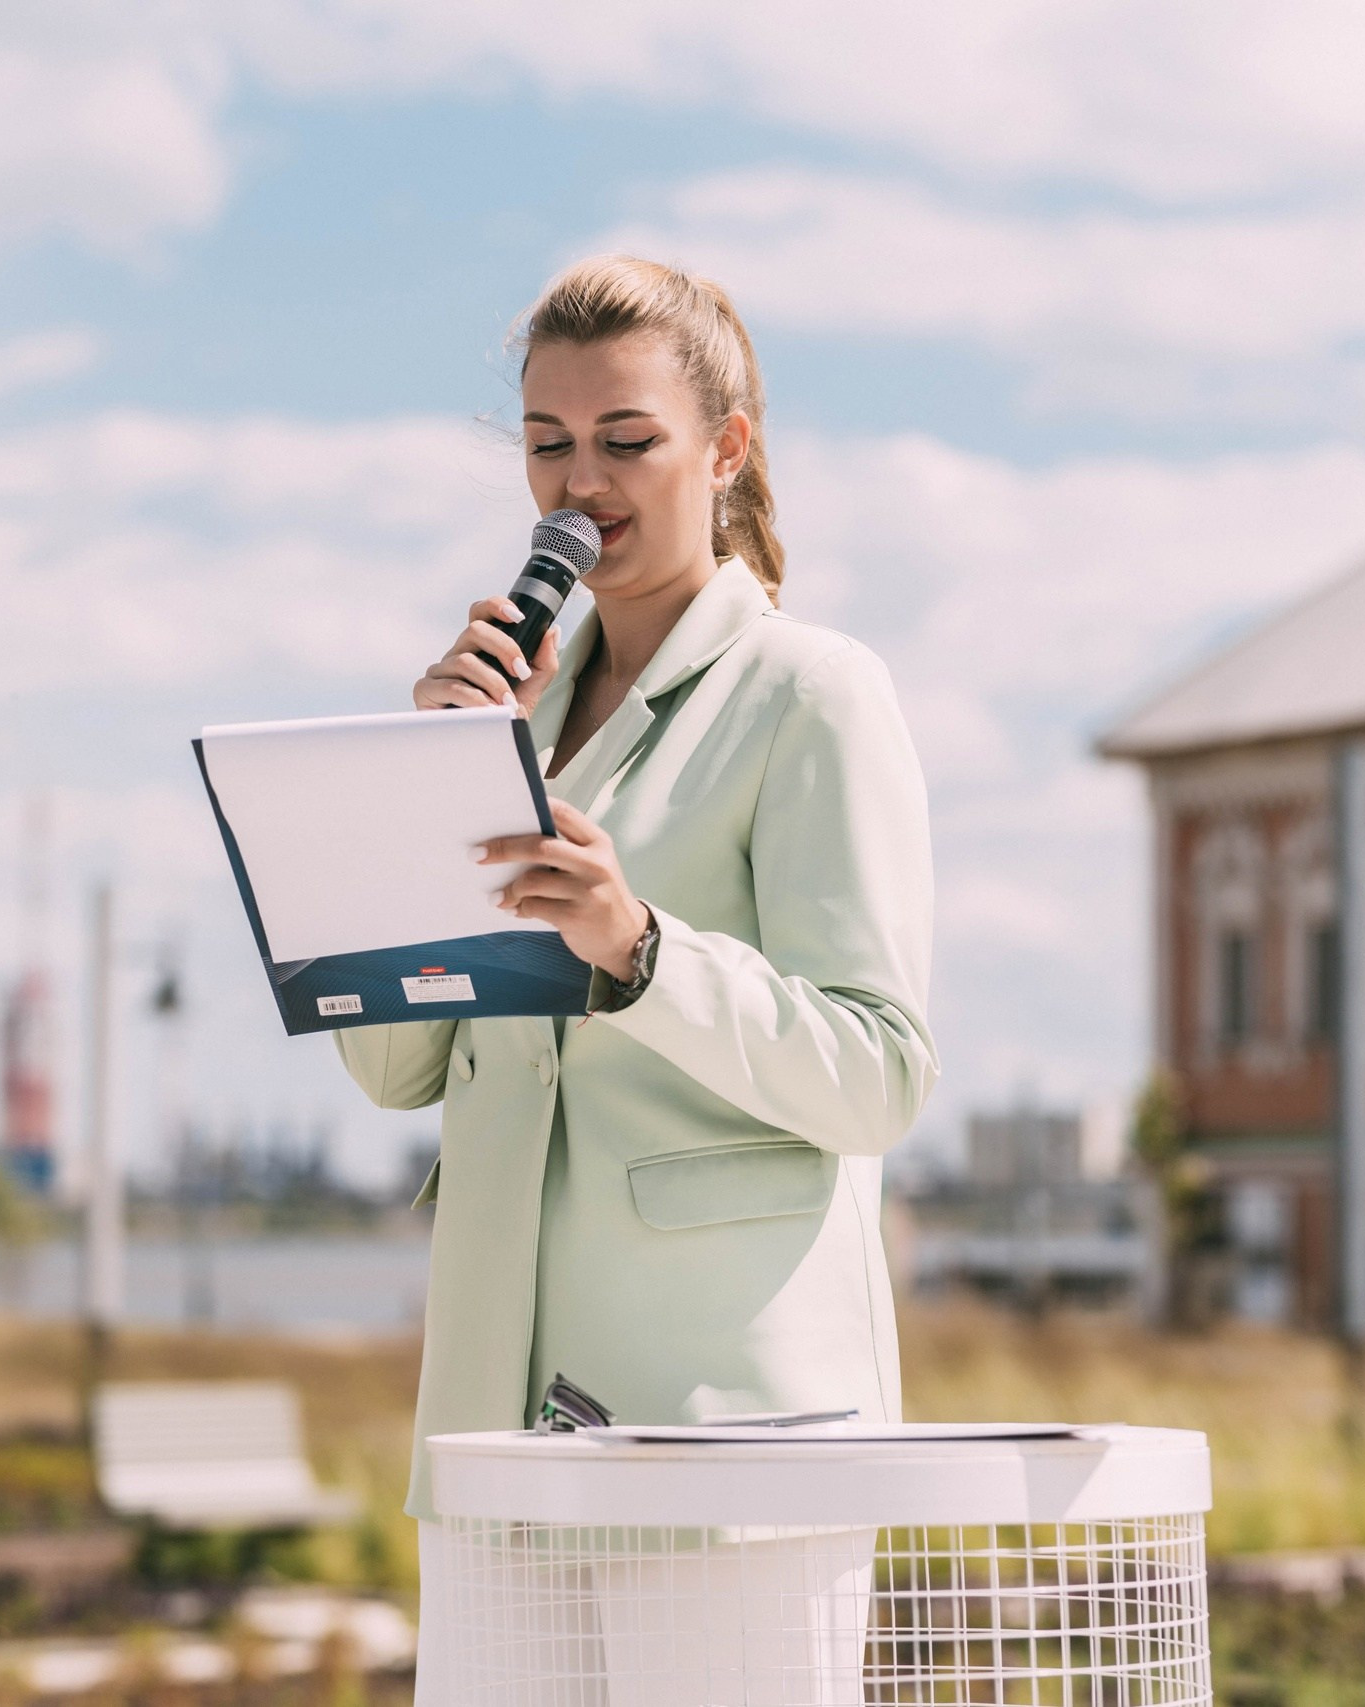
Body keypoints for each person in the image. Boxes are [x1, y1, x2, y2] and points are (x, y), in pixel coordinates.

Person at [337, 253, 937, 1701]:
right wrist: (424, 788)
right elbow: (395, 1069)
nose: (580, 483)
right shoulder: (513, 723)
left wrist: (644, 951)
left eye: (626, 440)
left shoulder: (810, 693)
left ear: (725, 450)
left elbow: (878, 1076)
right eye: (548, 444)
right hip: (496, 1435)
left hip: (729, 1430)